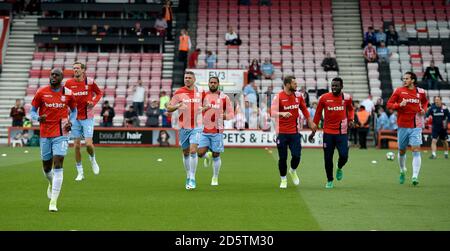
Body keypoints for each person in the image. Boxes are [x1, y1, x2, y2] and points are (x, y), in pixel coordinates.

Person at [30, 68, 77, 212]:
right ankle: (50, 182)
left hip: (62, 133)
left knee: (58, 162)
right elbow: (31, 111)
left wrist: (71, 122)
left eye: (56, 75)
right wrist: (38, 118)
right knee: (46, 168)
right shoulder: (41, 92)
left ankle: (53, 202)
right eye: (52, 75)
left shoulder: (68, 93)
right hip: (45, 133)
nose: (53, 77)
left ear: (62, 78)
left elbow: (74, 111)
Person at [270, 76, 317, 189]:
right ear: (287, 85)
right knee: (283, 158)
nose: (296, 85)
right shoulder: (278, 96)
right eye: (294, 83)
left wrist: (310, 121)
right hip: (281, 132)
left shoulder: (299, 96)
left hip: (294, 132)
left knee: (297, 156)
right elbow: (272, 111)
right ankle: (283, 179)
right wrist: (282, 114)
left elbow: (304, 109)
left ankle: (293, 170)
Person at [310, 77, 355, 189]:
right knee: (328, 158)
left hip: (342, 132)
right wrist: (313, 129)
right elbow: (318, 114)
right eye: (332, 85)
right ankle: (330, 180)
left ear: (341, 86)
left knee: (344, 155)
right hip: (328, 133)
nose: (334, 88)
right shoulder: (324, 98)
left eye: (336, 86)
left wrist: (351, 120)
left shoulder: (347, 98)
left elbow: (350, 109)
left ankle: (339, 167)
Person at [387, 72, 428, 186]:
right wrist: (399, 105)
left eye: (407, 78)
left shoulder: (421, 92)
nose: (404, 80)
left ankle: (415, 176)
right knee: (401, 151)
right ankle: (402, 170)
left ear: (413, 80)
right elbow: (389, 104)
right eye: (403, 78)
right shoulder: (399, 91)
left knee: (416, 149)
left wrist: (424, 109)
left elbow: (425, 102)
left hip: (416, 125)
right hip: (402, 126)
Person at [64, 62, 103, 182]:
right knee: (76, 146)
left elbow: (99, 93)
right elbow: (65, 100)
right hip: (74, 118)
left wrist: (93, 102)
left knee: (88, 144)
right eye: (74, 68)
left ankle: (92, 159)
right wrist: (66, 118)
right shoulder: (68, 83)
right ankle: (80, 172)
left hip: (88, 118)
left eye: (77, 68)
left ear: (83, 70)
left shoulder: (90, 82)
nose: (75, 70)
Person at [167, 71, 203, 190]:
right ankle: (188, 174)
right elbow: (169, 107)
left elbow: (207, 105)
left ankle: (192, 177)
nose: (187, 79)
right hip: (183, 127)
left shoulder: (200, 92)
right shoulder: (179, 92)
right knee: (185, 152)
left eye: (189, 78)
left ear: (194, 79)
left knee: (193, 150)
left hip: (197, 126)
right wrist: (178, 106)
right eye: (185, 77)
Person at [197, 77, 234, 186]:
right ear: (208, 83)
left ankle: (215, 177)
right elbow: (196, 109)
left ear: (218, 84)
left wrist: (224, 116)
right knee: (200, 153)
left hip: (217, 131)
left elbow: (231, 114)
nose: (213, 84)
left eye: (215, 83)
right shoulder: (203, 95)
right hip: (204, 130)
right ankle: (206, 156)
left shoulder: (224, 97)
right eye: (211, 82)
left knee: (216, 154)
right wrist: (203, 109)